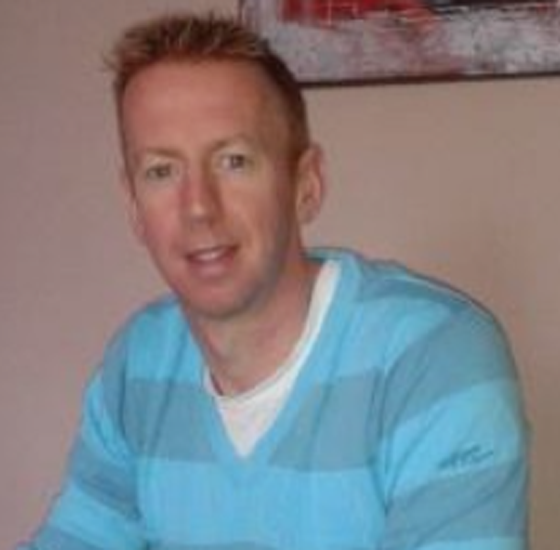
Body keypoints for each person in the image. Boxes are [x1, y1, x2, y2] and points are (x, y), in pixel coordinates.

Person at [19, 11, 528, 550]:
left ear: (306, 184)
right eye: (162, 171)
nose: (198, 207)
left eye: (233, 161)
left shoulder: (433, 356)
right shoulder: (139, 363)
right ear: (133, 207)